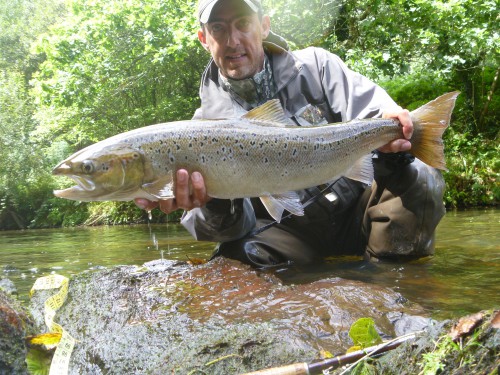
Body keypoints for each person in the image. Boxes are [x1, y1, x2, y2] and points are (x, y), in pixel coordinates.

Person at [135, 0, 445, 267]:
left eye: (243, 23)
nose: (232, 40)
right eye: (218, 28)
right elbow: (224, 231)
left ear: (264, 26)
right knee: (234, 259)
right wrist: (213, 201)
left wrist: (398, 127)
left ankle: (391, 284)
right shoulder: (198, 131)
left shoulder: (317, 67)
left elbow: (377, 112)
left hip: (358, 212)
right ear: (204, 38)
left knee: (419, 172)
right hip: (287, 235)